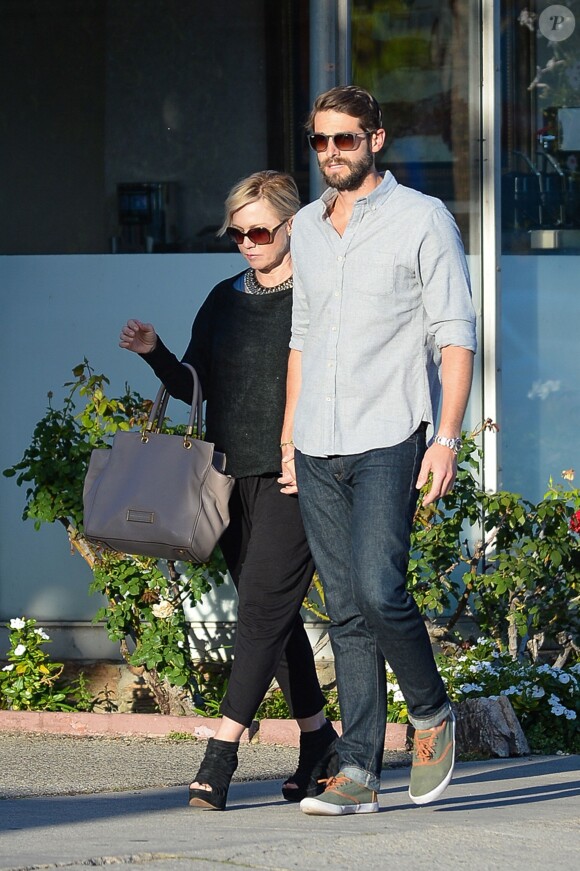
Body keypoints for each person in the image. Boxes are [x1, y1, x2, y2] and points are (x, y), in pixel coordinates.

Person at [279, 86, 477, 815]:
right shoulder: (303, 226)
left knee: (377, 586)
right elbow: (303, 336)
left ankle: (430, 713)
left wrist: (447, 438)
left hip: (391, 431)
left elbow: (455, 334)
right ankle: (359, 769)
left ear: (377, 139)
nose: (332, 153)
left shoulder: (422, 220)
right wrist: (288, 434)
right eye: (320, 142)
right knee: (345, 611)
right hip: (317, 441)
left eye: (346, 140)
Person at [119, 170, 338, 811]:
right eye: (236, 232)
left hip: (293, 475)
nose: (247, 241)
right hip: (227, 477)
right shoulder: (223, 297)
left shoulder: (318, 296)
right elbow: (196, 388)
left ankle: (222, 751)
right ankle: (318, 743)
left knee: (259, 616)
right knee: (277, 620)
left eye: (260, 230)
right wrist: (156, 353)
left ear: (292, 226)